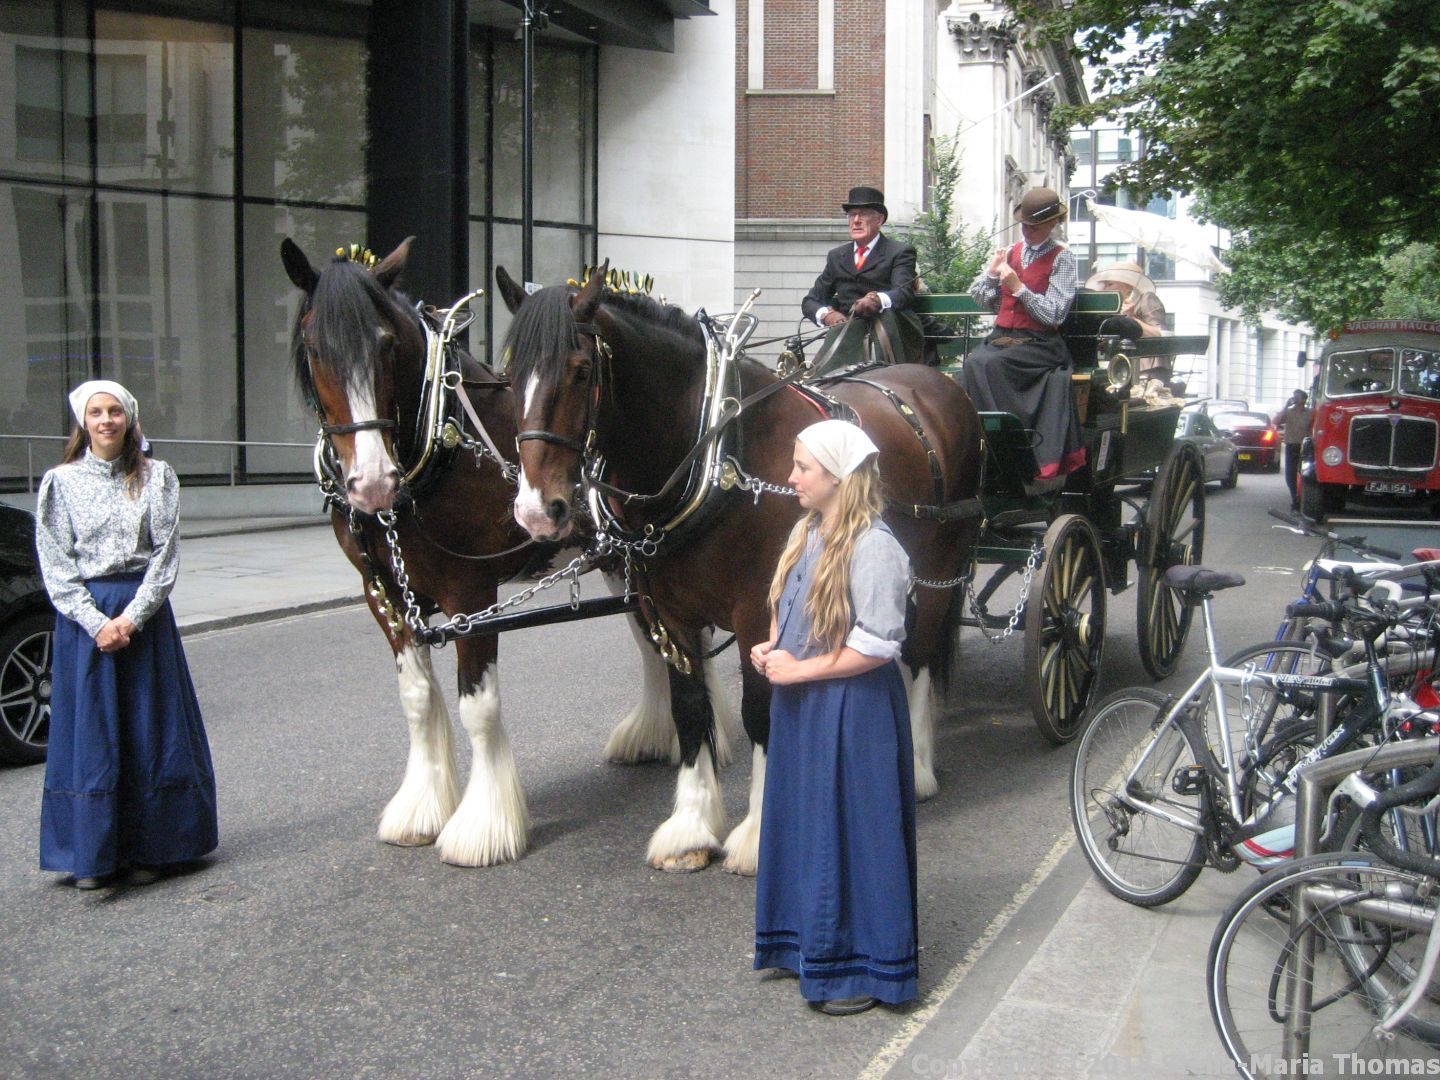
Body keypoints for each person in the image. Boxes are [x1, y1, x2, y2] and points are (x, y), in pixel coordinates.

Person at [750, 419, 917, 1017]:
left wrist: (800, 671)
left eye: (803, 467)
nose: (790, 476)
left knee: (854, 835)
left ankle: (862, 967)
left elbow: (877, 644)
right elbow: (789, 606)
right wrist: (773, 647)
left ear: (839, 477)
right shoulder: (806, 531)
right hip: (806, 703)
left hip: (854, 710)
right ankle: (805, 947)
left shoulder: (874, 547)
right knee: (806, 825)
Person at [35, 380, 218, 890]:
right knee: (92, 734)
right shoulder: (60, 483)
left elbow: (165, 555)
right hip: (85, 624)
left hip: (144, 617)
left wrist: (132, 618)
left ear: (129, 418)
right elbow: (55, 562)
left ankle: (155, 848)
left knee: (148, 730)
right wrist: (96, 622)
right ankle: (94, 854)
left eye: (115, 411)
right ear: (84, 421)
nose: (106, 420)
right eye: (96, 412)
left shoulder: (157, 477)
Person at [957, 187, 1085, 481]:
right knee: (972, 363)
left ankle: (1010, 444)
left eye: (1034, 227)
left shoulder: (1062, 258)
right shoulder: (1011, 253)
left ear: (1052, 224)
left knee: (989, 364)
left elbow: (1054, 314)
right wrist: (992, 274)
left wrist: (1019, 288)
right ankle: (980, 442)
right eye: (1024, 225)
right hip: (1002, 338)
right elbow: (983, 299)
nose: (1027, 231)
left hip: (1039, 343)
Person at [801, 186, 924, 373]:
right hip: (846, 334)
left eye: (864, 214)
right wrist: (827, 315)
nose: (856, 220)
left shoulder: (899, 252)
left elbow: (903, 292)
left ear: (879, 219)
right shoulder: (836, 256)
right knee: (813, 378)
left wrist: (876, 300)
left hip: (886, 332)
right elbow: (811, 301)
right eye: (851, 215)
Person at [1085, 260, 1167, 339]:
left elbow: (1161, 334)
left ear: (1128, 286)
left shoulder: (1146, 298)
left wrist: (1132, 318)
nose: (1105, 289)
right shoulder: (1108, 305)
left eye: (1110, 284)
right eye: (1104, 285)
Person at [1274, 389, 1313, 511]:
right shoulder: (1288, 412)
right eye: (1294, 396)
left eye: (1297, 396)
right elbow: (1275, 421)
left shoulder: (1310, 413)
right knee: (1290, 476)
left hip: (1304, 447)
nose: (1294, 398)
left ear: (1304, 399)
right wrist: (1286, 406)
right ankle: (1295, 499)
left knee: (1305, 474)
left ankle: (1302, 499)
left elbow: (1313, 428)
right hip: (1291, 446)